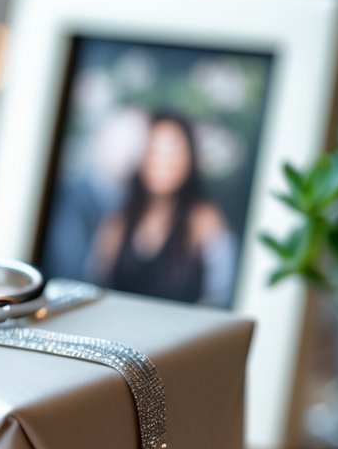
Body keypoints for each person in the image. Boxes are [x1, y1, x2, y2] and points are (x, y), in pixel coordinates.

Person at [89, 111, 235, 306]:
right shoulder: (118, 222)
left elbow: (218, 297)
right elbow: (95, 285)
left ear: (190, 158)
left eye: (173, 152)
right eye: (155, 151)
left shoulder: (205, 221)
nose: (163, 161)